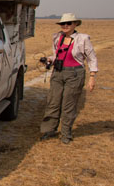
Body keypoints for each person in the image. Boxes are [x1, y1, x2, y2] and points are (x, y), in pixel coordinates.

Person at [40, 13, 98, 144]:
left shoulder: (82, 39)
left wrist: (92, 77)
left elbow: (91, 58)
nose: (65, 26)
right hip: (58, 73)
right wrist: (49, 60)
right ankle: (49, 130)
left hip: (75, 74)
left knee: (68, 104)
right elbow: (57, 55)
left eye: (68, 23)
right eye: (63, 24)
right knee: (53, 102)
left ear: (75, 24)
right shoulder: (57, 37)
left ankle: (66, 133)